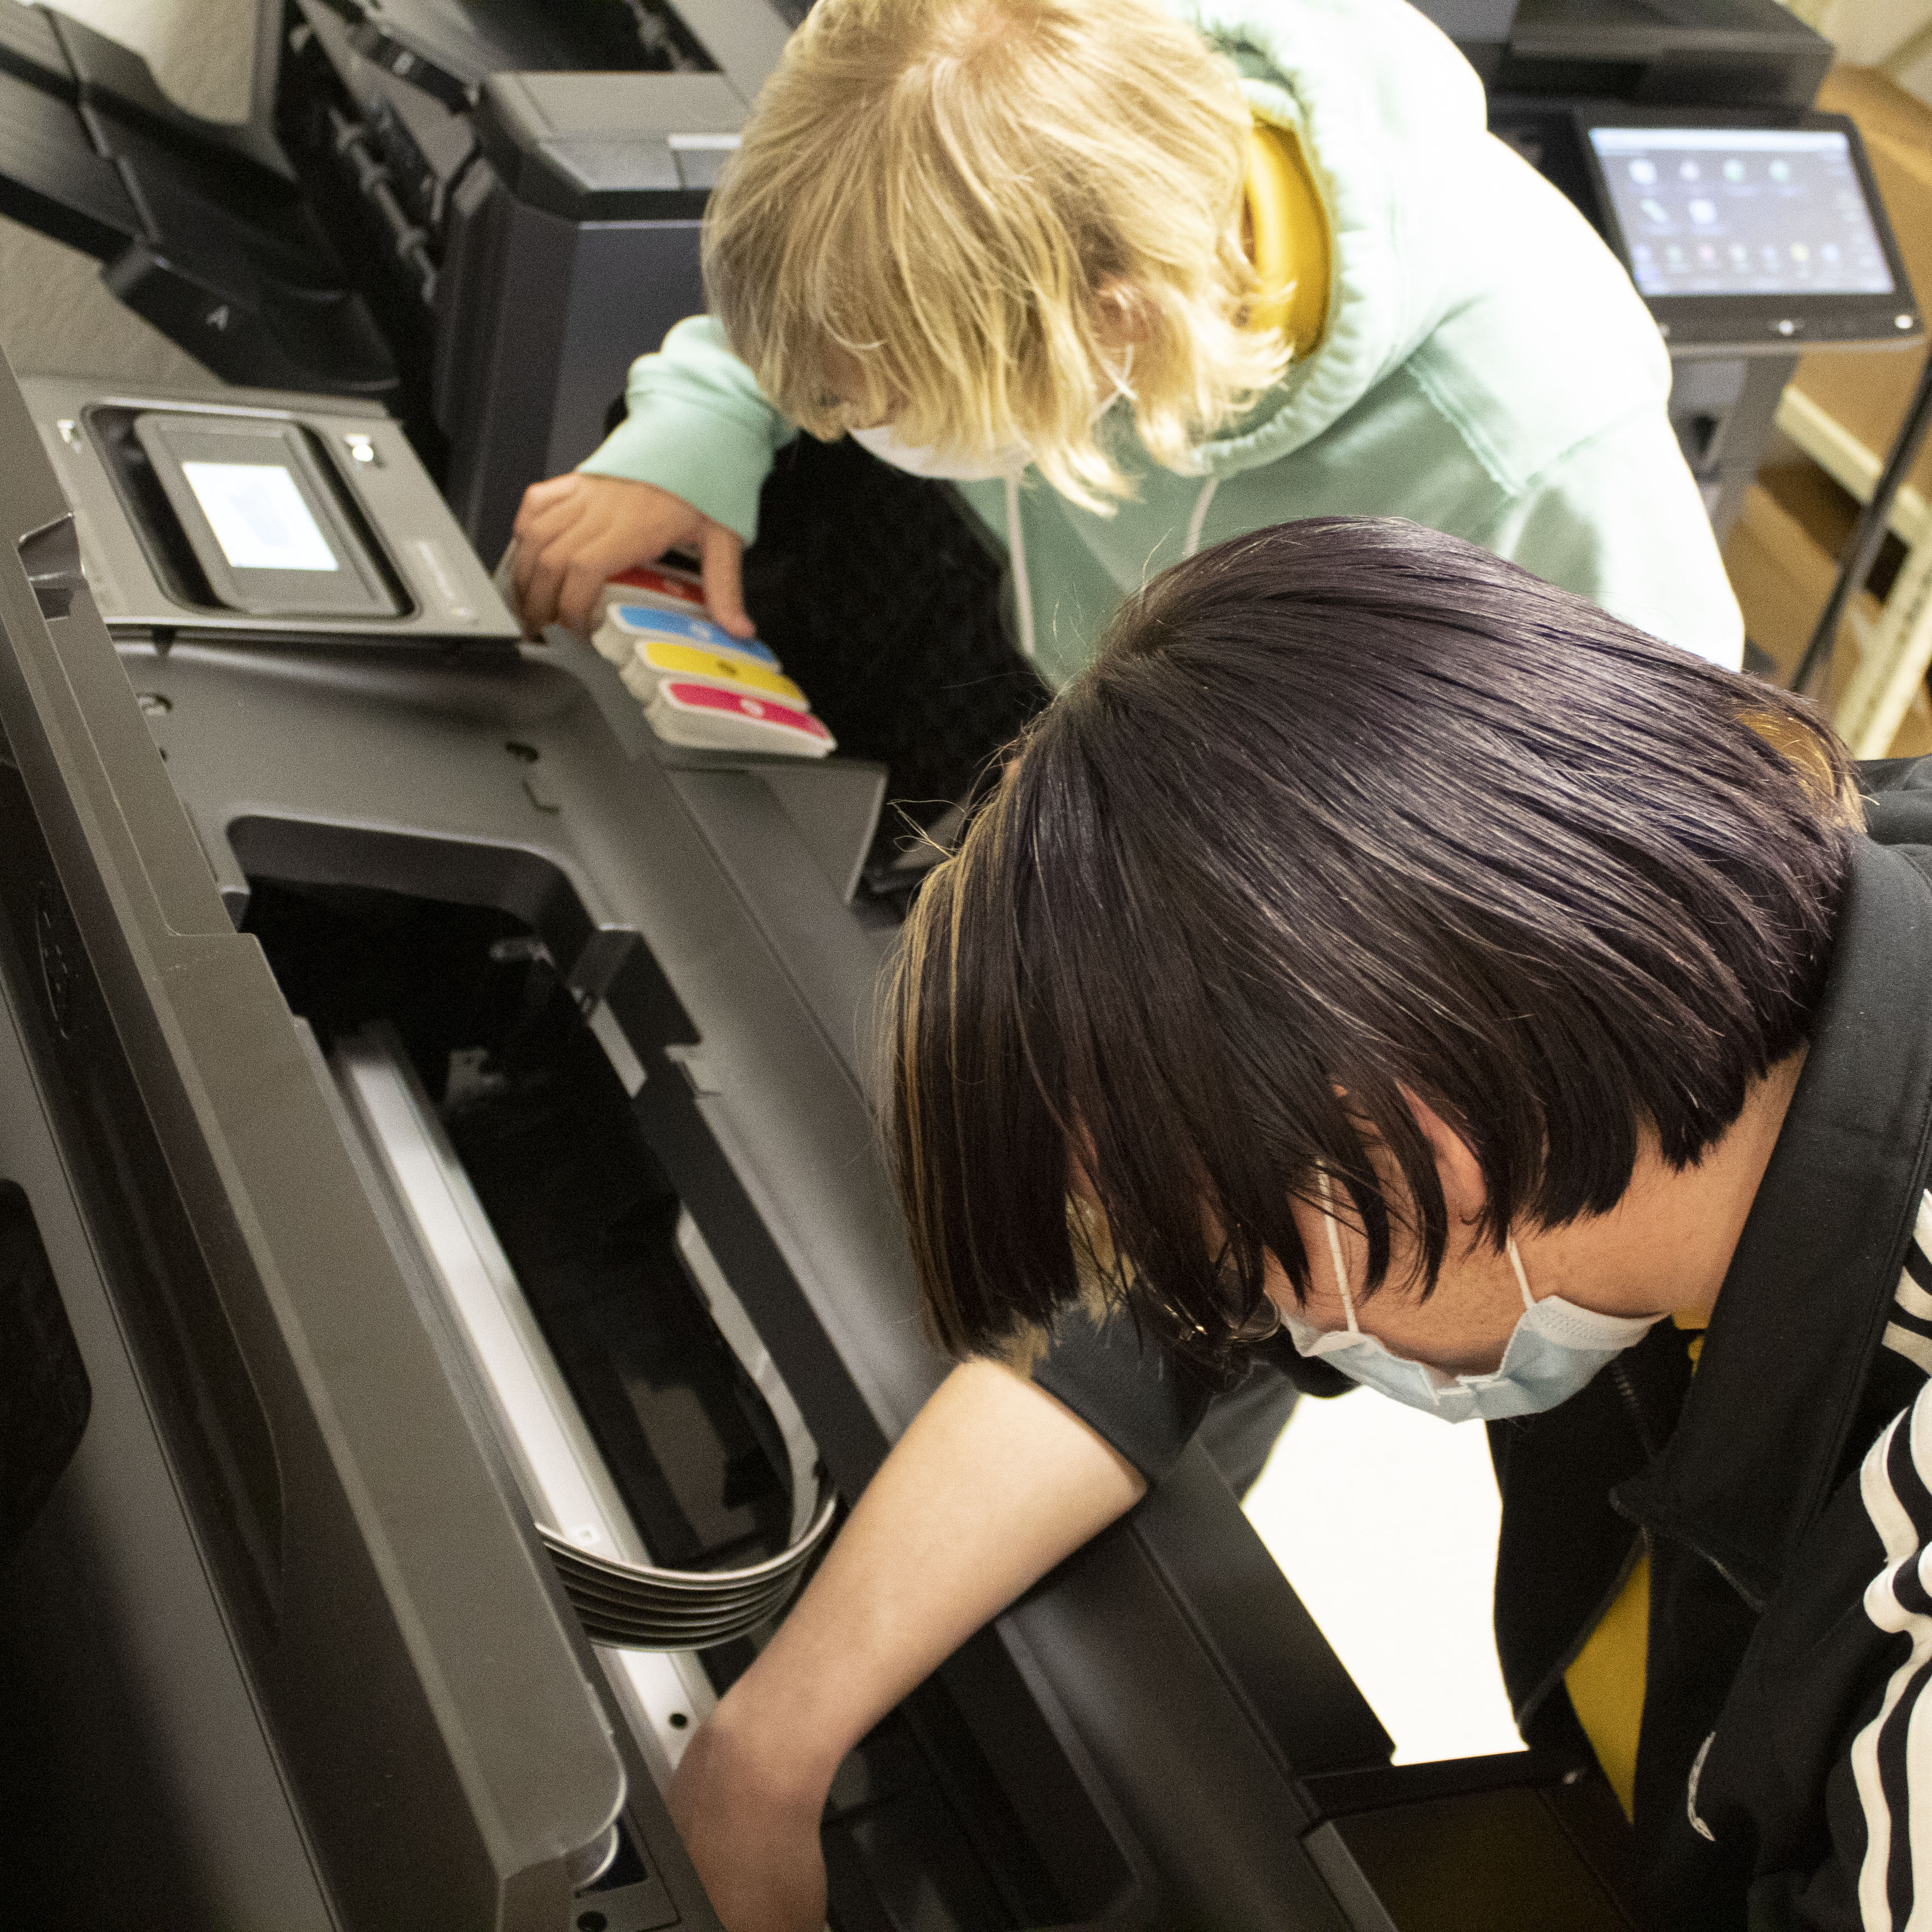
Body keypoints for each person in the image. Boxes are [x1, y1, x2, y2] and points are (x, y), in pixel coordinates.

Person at [670, 517, 1932, 1932]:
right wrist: (765, 1752)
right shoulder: (1685, 915)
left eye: (1254, 1275)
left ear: (1419, 1145)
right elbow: (1132, 1317)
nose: (1265, 1323)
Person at [508, 0, 1744, 685]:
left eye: (883, 407)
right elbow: (862, 286)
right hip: (1089, 703)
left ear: (1116, 332)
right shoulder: (1032, 72)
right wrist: (704, 421)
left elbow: (1674, 820)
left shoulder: (1539, 447)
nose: (845, 422)